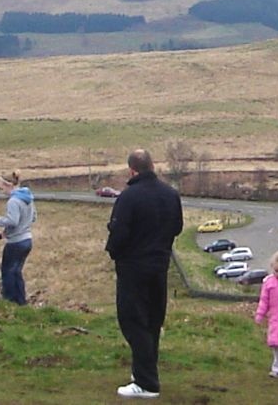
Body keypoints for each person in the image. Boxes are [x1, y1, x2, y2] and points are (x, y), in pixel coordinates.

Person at [106, 149, 183, 399]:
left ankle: (146, 383)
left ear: (132, 170)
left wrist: (114, 252)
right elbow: (178, 227)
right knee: (152, 320)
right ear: (153, 166)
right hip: (159, 266)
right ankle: (144, 372)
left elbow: (119, 234)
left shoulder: (129, 197)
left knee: (133, 320)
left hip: (133, 267)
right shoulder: (171, 194)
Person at [0, 170, 35, 305]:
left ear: (8, 185)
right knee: (17, 272)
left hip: (16, 241)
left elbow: (13, 221)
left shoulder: (13, 201)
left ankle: (9, 301)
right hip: (27, 239)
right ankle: (21, 301)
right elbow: (34, 217)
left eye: (2, 186)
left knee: (7, 272)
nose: (1, 189)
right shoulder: (28, 198)